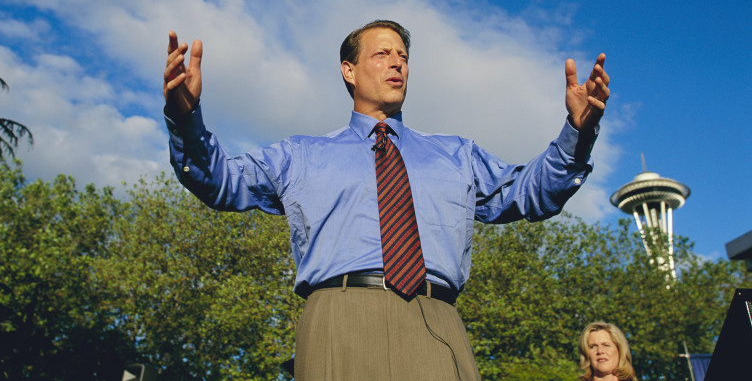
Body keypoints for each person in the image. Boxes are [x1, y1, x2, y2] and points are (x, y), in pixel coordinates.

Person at [163, 20, 610, 381]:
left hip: (436, 318)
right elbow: (219, 179)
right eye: (382, 54)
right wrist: (185, 117)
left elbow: (529, 194)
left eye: (404, 57)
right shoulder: (299, 155)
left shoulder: (456, 155)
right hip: (338, 320)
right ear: (349, 70)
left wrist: (579, 134)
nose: (397, 63)